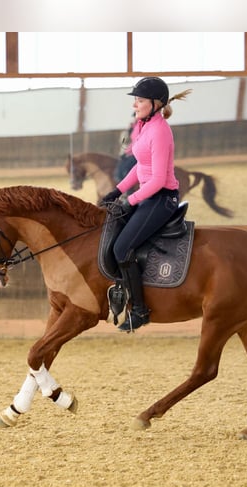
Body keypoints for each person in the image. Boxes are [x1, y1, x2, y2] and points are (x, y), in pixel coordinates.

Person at [99, 77, 191, 332]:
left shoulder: (160, 131)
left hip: (162, 198)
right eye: (136, 100)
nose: (135, 105)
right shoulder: (144, 126)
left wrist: (131, 200)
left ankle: (140, 310)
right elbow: (142, 167)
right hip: (148, 194)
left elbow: (159, 179)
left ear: (155, 103)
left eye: (139, 100)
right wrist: (116, 190)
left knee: (121, 248)